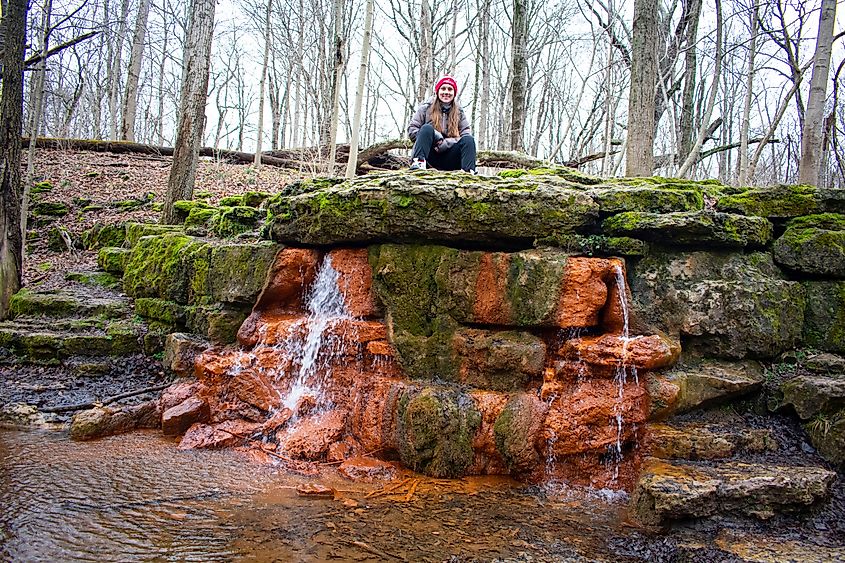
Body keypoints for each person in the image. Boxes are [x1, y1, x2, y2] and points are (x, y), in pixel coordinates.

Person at [407, 75, 477, 173]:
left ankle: (469, 171)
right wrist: (435, 136)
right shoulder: (425, 108)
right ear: (438, 91)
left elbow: (465, 134)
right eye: (443, 89)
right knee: (426, 128)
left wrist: (445, 143)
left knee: (469, 140)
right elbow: (412, 131)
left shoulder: (459, 113)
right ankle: (419, 162)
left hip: (451, 157)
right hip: (430, 155)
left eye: (450, 89)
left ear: (454, 93)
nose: (446, 92)